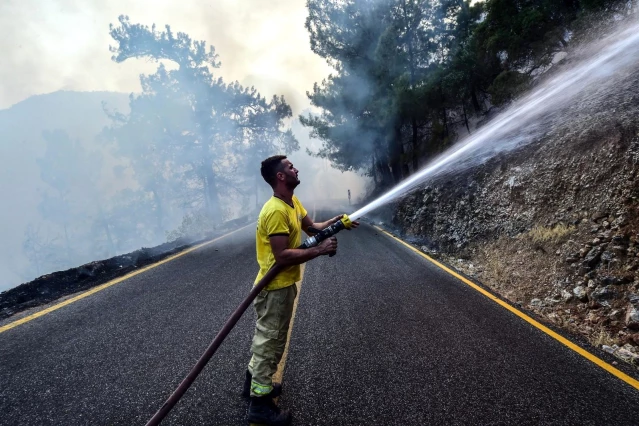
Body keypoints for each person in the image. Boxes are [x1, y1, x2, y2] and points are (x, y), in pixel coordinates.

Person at [244, 155, 358, 425]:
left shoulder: (291, 202)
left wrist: (339, 222)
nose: (295, 168)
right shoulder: (274, 211)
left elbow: (313, 227)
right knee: (269, 343)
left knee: (268, 340)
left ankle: (252, 384)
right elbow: (282, 256)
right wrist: (319, 250)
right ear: (281, 177)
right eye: (290, 167)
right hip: (274, 288)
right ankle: (259, 407)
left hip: (283, 286)